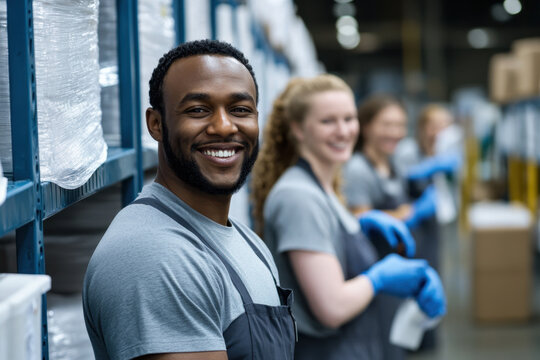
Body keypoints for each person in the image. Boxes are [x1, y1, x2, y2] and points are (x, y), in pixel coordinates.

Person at [82, 40, 295, 360]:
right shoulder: (155, 257)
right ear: (156, 124)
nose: (224, 127)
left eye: (240, 110)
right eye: (198, 110)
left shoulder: (245, 240)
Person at [251, 75, 445, 360]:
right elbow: (332, 308)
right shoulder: (299, 196)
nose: (343, 131)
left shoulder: (325, 187)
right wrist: (380, 278)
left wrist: (360, 227)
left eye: (349, 118)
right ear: (298, 129)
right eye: (328, 121)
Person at [342, 96, 451, 353]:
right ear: (366, 127)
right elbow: (361, 222)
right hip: (375, 276)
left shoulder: (393, 165)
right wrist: (409, 212)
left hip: (396, 274)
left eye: (400, 125)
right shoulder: (358, 169)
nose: (395, 132)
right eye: (387, 124)